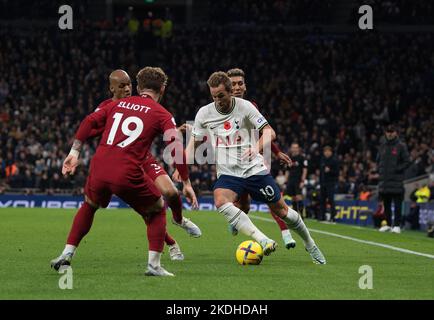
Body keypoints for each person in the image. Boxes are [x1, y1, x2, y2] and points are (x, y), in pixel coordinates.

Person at [50, 67, 198, 276]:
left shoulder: (116, 104)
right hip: (127, 169)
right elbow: (175, 148)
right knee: (156, 208)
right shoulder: (162, 113)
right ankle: (155, 265)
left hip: (100, 166)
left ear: (138, 87)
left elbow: (89, 121)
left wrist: (74, 152)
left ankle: (67, 253)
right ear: (163, 89)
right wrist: (187, 182)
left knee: (90, 205)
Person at [189, 71, 326, 264]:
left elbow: (269, 132)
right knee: (221, 200)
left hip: (253, 168)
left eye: (221, 95)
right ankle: (263, 239)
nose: (217, 100)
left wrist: (257, 148)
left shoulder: (247, 107)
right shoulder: (205, 112)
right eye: (214, 96)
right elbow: (194, 141)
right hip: (229, 172)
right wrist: (181, 167)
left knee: (282, 211)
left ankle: (310, 244)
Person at [89, 70, 201, 261]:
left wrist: (173, 131)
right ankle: (172, 244)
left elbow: (142, 130)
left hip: (143, 158)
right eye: (122, 86)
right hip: (117, 162)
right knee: (147, 210)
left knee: (171, 193)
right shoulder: (106, 107)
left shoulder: (138, 104)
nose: (127, 89)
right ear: (112, 88)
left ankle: (179, 219)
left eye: (129, 85)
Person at [377, 124, 411, 233]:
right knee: (386, 204)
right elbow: (378, 161)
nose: (390, 133)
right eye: (388, 131)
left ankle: (397, 225)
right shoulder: (382, 146)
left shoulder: (401, 146)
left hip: (396, 181)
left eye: (392, 131)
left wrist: (397, 169)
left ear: (396, 133)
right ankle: (387, 224)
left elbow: (407, 161)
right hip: (385, 182)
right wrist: (381, 171)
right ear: (385, 133)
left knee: (397, 204)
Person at [286, 142, 308, 216]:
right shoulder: (289, 158)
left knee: (299, 197)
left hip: (298, 180)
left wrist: (302, 181)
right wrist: (286, 181)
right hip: (291, 180)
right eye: (293, 147)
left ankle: (302, 215)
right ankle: (296, 215)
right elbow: (287, 170)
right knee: (293, 198)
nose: (294, 149)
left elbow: (305, 170)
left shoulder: (302, 157)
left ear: (298, 149)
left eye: (296, 147)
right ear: (291, 149)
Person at [319, 146, 339, 222]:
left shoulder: (334, 161)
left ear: (331, 152)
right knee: (322, 200)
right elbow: (321, 173)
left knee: (331, 200)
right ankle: (322, 217)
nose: (327, 153)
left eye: (328, 151)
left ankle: (333, 217)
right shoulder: (322, 160)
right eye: (325, 151)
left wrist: (330, 171)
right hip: (323, 183)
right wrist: (320, 182)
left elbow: (337, 172)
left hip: (331, 183)